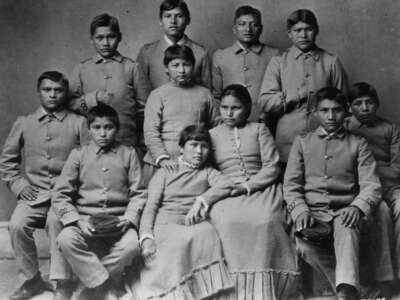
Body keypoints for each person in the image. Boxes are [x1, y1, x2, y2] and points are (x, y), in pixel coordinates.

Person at [283, 87, 381, 299]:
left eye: (336, 110)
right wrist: (300, 211)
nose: (330, 116)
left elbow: (371, 184)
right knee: (303, 246)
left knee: (347, 229)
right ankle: (355, 289)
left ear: (346, 112)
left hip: (345, 209)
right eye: (324, 110)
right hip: (313, 212)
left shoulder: (358, 144)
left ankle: (346, 293)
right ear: (315, 112)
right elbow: (291, 185)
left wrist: (357, 206)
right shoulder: (303, 142)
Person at [0, 71, 88, 300]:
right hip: (35, 194)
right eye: (47, 90)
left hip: (67, 195)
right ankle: (32, 281)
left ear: (65, 93)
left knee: (55, 221)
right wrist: (19, 186)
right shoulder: (24, 122)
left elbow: (91, 161)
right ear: (39, 92)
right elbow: (7, 162)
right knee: (17, 225)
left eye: (58, 90)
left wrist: (75, 189)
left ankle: (63, 282)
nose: (52, 95)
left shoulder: (78, 122)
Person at [208, 84, 299, 299]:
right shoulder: (211, 134)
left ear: (247, 109)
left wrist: (248, 185)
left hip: (261, 188)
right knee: (225, 220)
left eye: (236, 108)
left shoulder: (259, 130)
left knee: (265, 219)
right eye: (224, 108)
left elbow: (272, 166)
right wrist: (226, 185)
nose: (229, 113)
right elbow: (208, 168)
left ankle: (267, 290)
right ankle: (235, 291)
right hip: (226, 190)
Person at [51, 104, 146, 300]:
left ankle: (92, 286)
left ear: (117, 128)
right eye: (97, 128)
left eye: (109, 127)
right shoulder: (79, 154)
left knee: (131, 247)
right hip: (86, 219)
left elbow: (139, 193)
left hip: (118, 220)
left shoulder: (128, 153)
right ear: (89, 129)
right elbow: (60, 195)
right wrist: (77, 221)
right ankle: (102, 283)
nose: (103, 133)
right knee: (65, 239)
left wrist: (129, 218)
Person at [129, 125, 234, 299]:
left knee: (207, 233)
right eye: (193, 145)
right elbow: (150, 207)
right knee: (179, 243)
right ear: (181, 148)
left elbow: (227, 184)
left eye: (204, 146)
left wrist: (202, 200)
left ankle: (200, 292)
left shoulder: (207, 172)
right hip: (165, 222)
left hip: (191, 221)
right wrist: (146, 237)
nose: (199, 151)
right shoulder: (165, 172)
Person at [259, 9, 348, 164]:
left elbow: (343, 104)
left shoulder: (331, 61)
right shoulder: (279, 62)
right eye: (298, 30)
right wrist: (297, 94)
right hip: (287, 141)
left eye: (308, 29)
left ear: (317, 31)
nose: (303, 35)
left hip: (326, 139)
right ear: (289, 33)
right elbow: (265, 102)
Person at [345, 82, 398, 293]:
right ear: (350, 106)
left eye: (369, 103)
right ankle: (383, 279)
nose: (365, 108)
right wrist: (367, 176)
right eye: (358, 103)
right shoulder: (345, 126)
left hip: (391, 186)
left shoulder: (391, 129)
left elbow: (397, 169)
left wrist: (368, 170)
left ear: (377, 104)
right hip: (361, 188)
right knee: (381, 212)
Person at [69, 13, 150, 151]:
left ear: (119, 37)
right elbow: (69, 103)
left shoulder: (132, 67)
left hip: (126, 142)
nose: (105, 43)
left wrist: (142, 142)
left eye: (111, 37)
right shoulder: (81, 69)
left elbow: (145, 110)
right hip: (91, 145)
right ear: (92, 39)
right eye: (99, 38)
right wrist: (93, 99)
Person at [143, 45, 218, 181]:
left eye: (187, 65)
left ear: (193, 66)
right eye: (175, 65)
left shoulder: (205, 94)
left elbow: (216, 127)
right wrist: (163, 159)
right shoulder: (158, 95)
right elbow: (150, 132)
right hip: (163, 163)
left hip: (196, 162)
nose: (182, 70)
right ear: (166, 68)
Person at [212, 5, 279, 123]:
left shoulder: (274, 55)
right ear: (234, 28)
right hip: (229, 122)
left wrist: (266, 117)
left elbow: (276, 94)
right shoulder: (220, 56)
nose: (248, 29)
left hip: (264, 121)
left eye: (254, 25)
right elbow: (216, 95)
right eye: (242, 24)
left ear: (261, 29)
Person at [137, 0, 211, 90]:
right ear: (160, 21)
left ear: (188, 20)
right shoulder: (147, 52)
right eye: (167, 16)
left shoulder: (201, 53)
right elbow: (141, 92)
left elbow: (207, 92)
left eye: (179, 16)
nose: (173, 21)